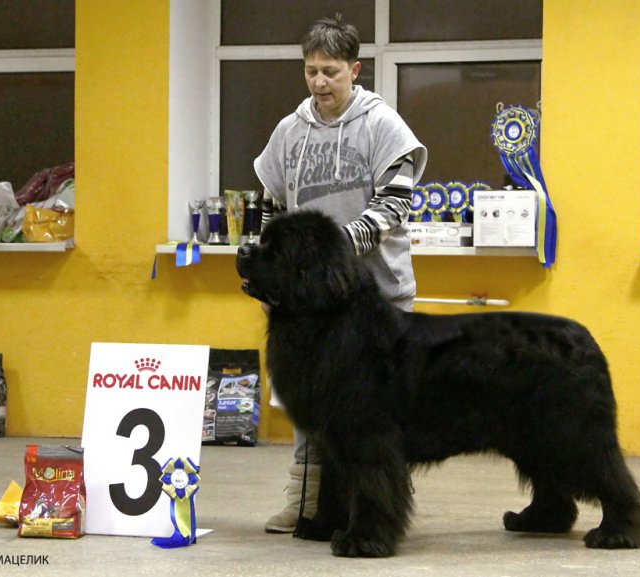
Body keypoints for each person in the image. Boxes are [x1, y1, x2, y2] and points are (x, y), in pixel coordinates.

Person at [253, 14, 427, 534]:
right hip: (313, 304)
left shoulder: (382, 124)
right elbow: (272, 206)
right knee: (311, 403)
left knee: (374, 410)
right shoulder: (289, 131)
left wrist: (332, 249)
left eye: (330, 71)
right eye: (311, 71)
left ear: (355, 69)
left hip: (379, 296)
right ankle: (305, 499)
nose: (319, 82)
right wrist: (274, 272)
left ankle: (382, 501)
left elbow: (395, 202)